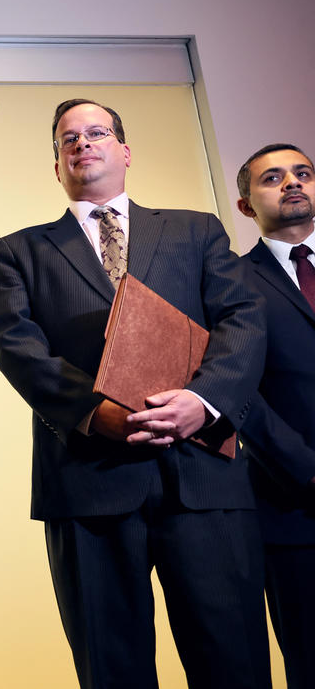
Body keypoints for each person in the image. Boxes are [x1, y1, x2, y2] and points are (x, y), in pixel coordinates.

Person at [0, 99, 272, 689]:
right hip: (88, 481)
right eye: (68, 138)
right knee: (111, 668)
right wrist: (96, 415)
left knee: (234, 663)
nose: (83, 143)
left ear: (124, 150)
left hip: (203, 474)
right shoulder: (19, 250)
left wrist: (203, 401)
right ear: (57, 163)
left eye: (97, 132)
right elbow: (19, 350)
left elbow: (242, 320)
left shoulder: (196, 230)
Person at [235, 143, 315, 689]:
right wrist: (305, 469)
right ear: (246, 205)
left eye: (302, 173)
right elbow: (235, 390)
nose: (291, 183)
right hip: (294, 507)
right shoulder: (230, 283)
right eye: (272, 178)